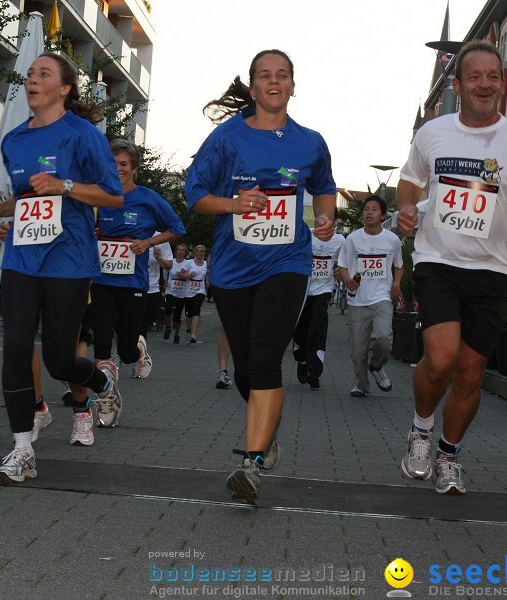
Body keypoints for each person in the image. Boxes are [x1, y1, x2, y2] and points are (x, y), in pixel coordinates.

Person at [396, 41, 507, 495]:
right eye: (475, 77)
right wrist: (408, 207)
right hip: (438, 261)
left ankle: (449, 454)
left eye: (493, 77)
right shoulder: (434, 133)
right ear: (457, 85)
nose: (484, 85)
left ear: (503, 84)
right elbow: (409, 178)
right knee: (443, 356)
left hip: (492, 269)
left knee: (470, 373)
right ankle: (421, 429)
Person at [185, 49, 337, 504]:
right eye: (265, 76)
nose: (275, 82)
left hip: (287, 262)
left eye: (283, 75)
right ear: (253, 88)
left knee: (268, 357)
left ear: (293, 85)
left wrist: (325, 219)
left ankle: (251, 466)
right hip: (234, 268)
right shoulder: (226, 139)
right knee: (248, 371)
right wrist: (234, 204)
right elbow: (194, 194)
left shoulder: (310, 142)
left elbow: (325, 187)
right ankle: (267, 437)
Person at [0, 52, 124, 484]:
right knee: (16, 348)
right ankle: (22, 447)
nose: (32, 79)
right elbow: (27, 199)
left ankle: (99, 382)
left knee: (61, 361)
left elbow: (113, 196)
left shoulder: (83, 135)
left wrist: (66, 186)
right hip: (23, 257)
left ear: (64, 89)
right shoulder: (15, 140)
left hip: (69, 260)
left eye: (44, 74)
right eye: (30, 74)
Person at [90, 139, 184, 391]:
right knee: (100, 342)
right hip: (100, 280)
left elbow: (177, 228)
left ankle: (138, 349)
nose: (118, 168)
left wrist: (148, 242)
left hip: (133, 282)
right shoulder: (97, 195)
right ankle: (106, 394)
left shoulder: (148, 199)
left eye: (123, 164)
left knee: (127, 352)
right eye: (113, 163)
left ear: (134, 169)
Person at [338, 196, 403, 397]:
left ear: (383, 215)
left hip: (382, 297)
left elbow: (399, 265)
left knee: (383, 337)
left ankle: (376, 365)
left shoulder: (392, 239)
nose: (369, 213)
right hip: (357, 299)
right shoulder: (353, 239)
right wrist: (347, 279)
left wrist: (396, 284)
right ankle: (361, 385)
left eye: (374, 209)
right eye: (366, 209)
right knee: (358, 351)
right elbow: (342, 265)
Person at [293, 213, 345, 390]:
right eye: (319, 218)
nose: (322, 222)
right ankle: (301, 359)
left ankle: (314, 371)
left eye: (328, 219)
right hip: (302, 290)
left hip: (323, 290)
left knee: (318, 327)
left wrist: (340, 271)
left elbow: (344, 263)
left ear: (335, 222)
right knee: (301, 329)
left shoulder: (340, 241)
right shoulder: (305, 234)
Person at [144, 233, 173, 341]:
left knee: (144, 326)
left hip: (151, 288)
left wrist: (159, 258)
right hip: (130, 286)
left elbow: (169, 265)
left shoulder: (161, 237)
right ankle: (121, 351)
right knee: (125, 323)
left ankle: (140, 353)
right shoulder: (131, 230)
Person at [161, 243, 188, 343]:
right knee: (168, 309)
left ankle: (176, 334)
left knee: (177, 316)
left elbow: (189, 275)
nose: (180, 252)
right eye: (179, 250)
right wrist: (165, 279)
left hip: (182, 291)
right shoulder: (171, 261)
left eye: (182, 250)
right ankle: (168, 327)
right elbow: (165, 269)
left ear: (185, 253)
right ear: (176, 251)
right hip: (171, 289)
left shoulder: (187, 263)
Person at [182, 244, 208, 344]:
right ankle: (188, 331)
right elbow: (181, 274)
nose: (199, 253)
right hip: (189, 290)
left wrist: (208, 281)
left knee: (196, 310)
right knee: (188, 314)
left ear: (204, 253)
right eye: (197, 251)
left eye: (201, 251)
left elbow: (207, 274)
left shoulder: (206, 264)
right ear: (194, 252)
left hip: (200, 289)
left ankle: (193, 335)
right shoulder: (189, 263)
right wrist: (188, 275)